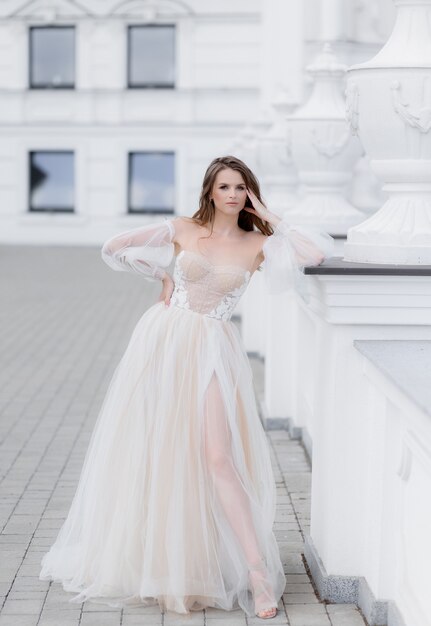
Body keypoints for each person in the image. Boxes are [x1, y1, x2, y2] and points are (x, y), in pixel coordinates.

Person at [39, 156, 334, 620]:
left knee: (218, 456)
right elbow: (115, 246)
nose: (233, 194)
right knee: (160, 449)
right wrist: (160, 274)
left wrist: (272, 215)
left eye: (241, 187)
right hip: (164, 341)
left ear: (249, 193)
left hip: (214, 348)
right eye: (224, 187)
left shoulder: (259, 243)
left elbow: (314, 255)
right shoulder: (182, 229)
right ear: (210, 192)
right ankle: (164, 563)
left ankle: (257, 575)